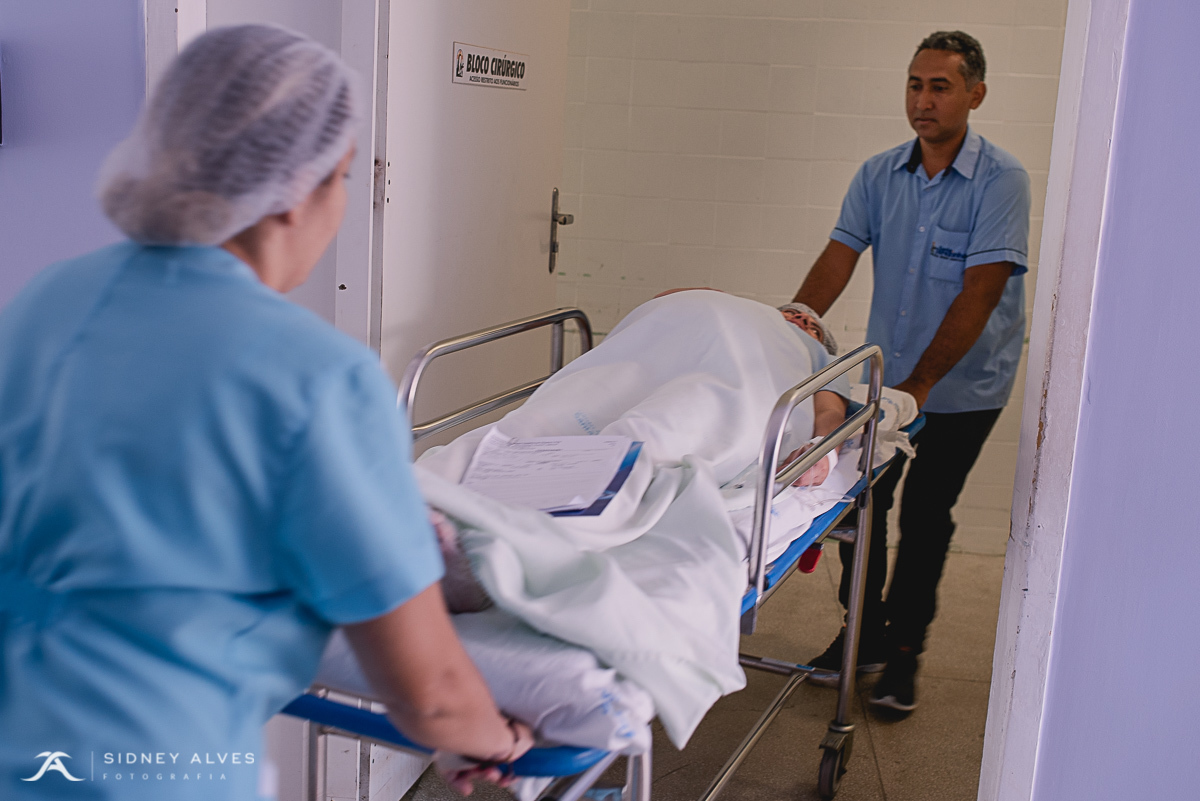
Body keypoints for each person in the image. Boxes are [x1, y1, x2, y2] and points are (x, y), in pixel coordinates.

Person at [0, 26, 531, 800]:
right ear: (292, 190)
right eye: (344, 175)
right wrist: (498, 738)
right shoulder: (317, 376)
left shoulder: (48, 299)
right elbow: (433, 693)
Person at [793, 31, 1030, 714]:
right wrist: (799, 317)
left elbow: (980, 291)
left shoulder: (1000, 180)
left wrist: (919, 387)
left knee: (927, 514)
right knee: (862, 505)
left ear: (975, 94)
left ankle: (903, 656)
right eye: (914, 84)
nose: (922, 100)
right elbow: (840, 254)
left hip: (962, 385)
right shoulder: (878, 174)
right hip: (885, 378)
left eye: (941, 86)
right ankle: (860, 635)